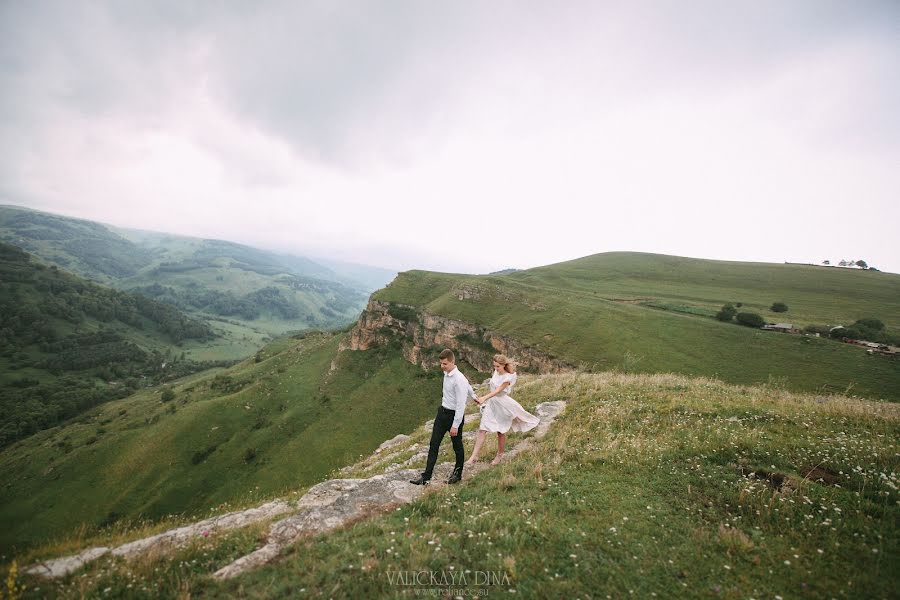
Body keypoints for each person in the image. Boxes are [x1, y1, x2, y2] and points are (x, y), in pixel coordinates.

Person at [410, 348, 476, 486]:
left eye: (445, 364)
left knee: (457, 446)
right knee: (433, 444)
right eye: (441, 363)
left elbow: (460, 404)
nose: (442, 366)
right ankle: (425, 477)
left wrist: (455, 425)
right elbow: (469, 387)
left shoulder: (459, 379)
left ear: (452, 362)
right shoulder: (447, 374)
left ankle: (457, 474)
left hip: (453, 416)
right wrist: (475, 396)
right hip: (442, 414)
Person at [466, 354, 539, 466]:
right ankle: (474, 456)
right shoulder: (496, 372)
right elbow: (492, 387)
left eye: (498, 366)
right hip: (492, 404)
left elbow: (498, 391)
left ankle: (500, 454)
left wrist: (484, 398)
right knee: (482, 429)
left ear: (504, 365)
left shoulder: (508, 377)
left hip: (502, 404)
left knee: (501, 431)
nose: (495, 368)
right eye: (494, 366)